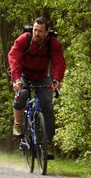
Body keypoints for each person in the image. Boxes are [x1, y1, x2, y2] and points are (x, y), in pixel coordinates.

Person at [8, 16, 65, 153]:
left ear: (46, 32)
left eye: (40, 31)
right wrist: (16, 80)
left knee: (47, 107)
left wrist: (57, 80)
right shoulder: (24, 39)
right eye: (35, 30)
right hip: (23, 74)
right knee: (22, 94)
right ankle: (17, 123)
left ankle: (48, 143)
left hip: (42, 76)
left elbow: (59, 63)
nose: (36, 33)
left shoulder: (53, 44)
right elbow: (13, 58)